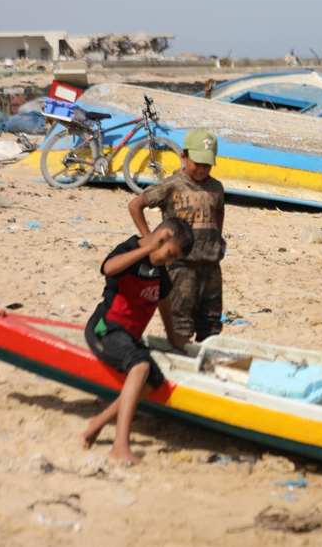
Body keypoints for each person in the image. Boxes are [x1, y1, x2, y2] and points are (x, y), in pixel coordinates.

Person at [81, 218, 195, 463]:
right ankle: (120, 446)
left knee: (154, 378)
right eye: (170, 253)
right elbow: (108, 268)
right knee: (140, 366)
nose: (170, 261)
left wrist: (172, 335)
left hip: (129, 337)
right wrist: (147, 248)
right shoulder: (132, 249)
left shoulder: (160, 270)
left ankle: (98, 422)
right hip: (105, 328)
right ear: (162, 237)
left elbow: (163, 299)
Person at [129, 129, 226, 350]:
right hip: (181, 267)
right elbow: (136, 206)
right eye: (197, 163)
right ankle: (183, 363)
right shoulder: (171, 185)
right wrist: (151, 242)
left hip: (211, 266)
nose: (201, 169)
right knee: (181, 325)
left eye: (207, 165)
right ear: (184, 156)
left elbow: (219, 209)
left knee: (211, 325)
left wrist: (218, 237)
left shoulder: (216, 187)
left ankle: (205, 366)